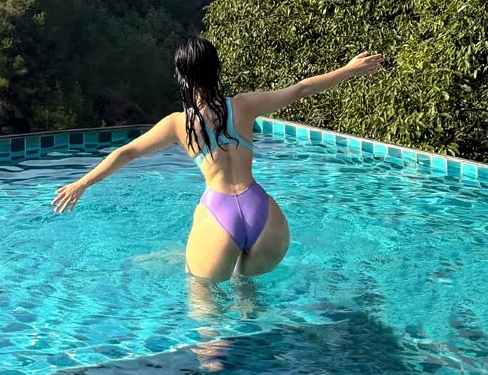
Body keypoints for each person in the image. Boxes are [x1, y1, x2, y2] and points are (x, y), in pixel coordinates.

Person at [51, 36, 385, 280]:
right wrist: (350, 69)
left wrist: (82, 183)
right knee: (249, 298)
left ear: (182, 77)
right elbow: (301, 89)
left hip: (219, 213)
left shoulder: (178, 124)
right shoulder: (244, 105)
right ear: (216, 69)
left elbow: (126, 152)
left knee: (206, 313)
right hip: (265, 217)